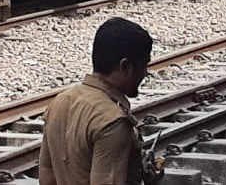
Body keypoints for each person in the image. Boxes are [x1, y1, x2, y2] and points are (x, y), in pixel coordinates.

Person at [37, 17, 152, 185]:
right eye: (143, 66)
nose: (145, 74)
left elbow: (47, 175)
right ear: (125, 66)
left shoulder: (60, 102)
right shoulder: (112, 121)